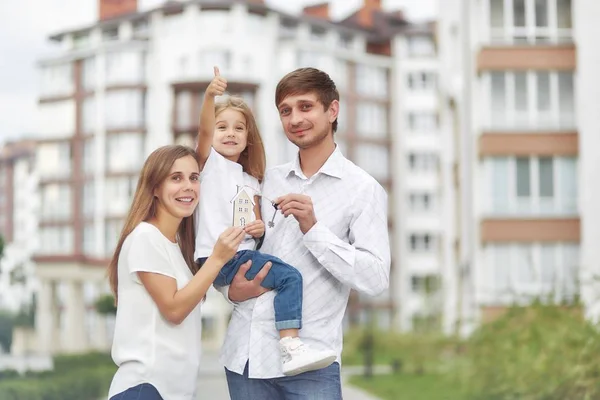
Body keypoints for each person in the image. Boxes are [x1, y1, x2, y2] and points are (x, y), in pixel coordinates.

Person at [220, 67, 391, 399]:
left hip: (312, 366)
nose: (295, 118)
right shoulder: (264, 180)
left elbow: (376, 278)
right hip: (245, 358)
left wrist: (313, 229)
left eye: (305, 106)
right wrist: (231, 291)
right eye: (286, 111)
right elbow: (232, 249)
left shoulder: (362, 190)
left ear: (332, 110)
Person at [194, 67, 336, 376]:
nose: (230, 133)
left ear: (248, 137)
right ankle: (291, 347)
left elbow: (255, 224)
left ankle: (284, 345)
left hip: (242, 254)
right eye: (222, 127)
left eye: (238, 128)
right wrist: (209, 96)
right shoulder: (209, 167)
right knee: (290, 278)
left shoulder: (252, 179)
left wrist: (258, 227)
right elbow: (203, 132)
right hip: (222, 257)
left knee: (279, 280)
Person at [106, 145, 246, 400]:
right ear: (155, 188)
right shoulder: (145, 237)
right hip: (145, 389)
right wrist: (217, 259)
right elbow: (173, 310)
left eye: (194, 178)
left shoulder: (178, 250)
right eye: (176, 178)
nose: (188, 186)